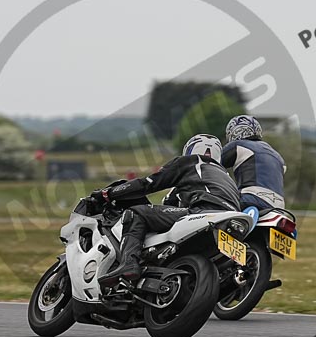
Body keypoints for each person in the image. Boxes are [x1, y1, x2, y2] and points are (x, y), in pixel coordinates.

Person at [92, 134, 241, 286]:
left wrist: (108, 194)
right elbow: (171, 202)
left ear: (191, 149)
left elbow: (148, 184)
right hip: (231, 219)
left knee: (136, 213)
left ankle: (129, 263)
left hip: (204, 211)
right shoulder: (226, 177)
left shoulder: (190, 162)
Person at [222, 115, 287, 210]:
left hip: (250, 198)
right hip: (279, 205)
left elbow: (213, 163)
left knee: (217, 204)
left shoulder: (237, 145)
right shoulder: (279, 157)